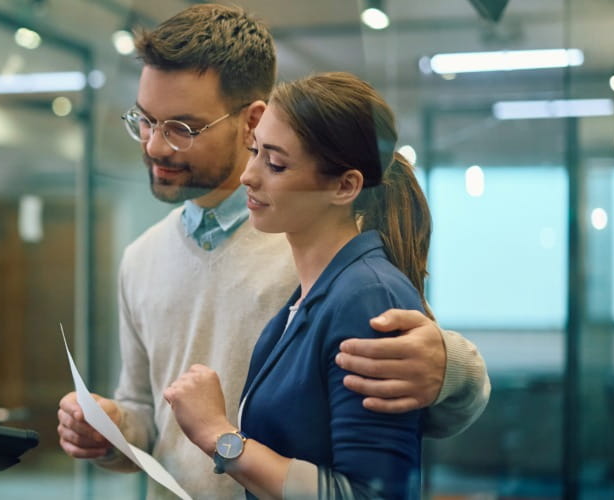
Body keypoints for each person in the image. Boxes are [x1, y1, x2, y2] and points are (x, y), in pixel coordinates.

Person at [56, 4, 490, 499]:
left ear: (252, 121)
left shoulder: (323, 246)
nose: (155, 146)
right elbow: (149, 418)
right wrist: (110, 431)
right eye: (146, 120)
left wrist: (451, 366)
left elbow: (416, 413)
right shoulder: (141, 258)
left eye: (181, 128)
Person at [166, 72, 433, 499]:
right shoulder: (315, 293)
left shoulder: (366, 298)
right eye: (253, 152)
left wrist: (219, 436)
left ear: (344, 186)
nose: (248, 177)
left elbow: (370, 495)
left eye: (275, 163)